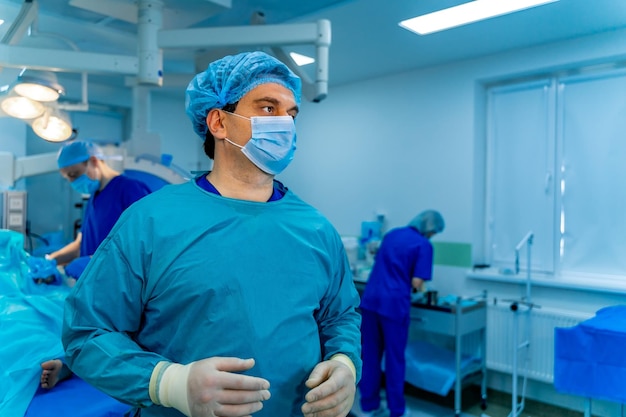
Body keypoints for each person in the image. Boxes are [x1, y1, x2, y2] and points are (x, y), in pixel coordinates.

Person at [62, 51, 362, 417]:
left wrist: (345, 362)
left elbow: (340, 315)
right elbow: (87, 333)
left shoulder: (315, 228)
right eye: (268, 108)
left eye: (291, 113)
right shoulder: (151, 221)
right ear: (219, 122)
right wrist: (169, 383)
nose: (284, 123)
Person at [41, 140, 152, 390]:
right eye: (67, 178)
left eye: (74, 175)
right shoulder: (93, 198)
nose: (72, 182)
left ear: (93, 161)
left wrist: (95, 263)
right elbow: (83, 240)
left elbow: (148, 246)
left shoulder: (130, 190)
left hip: (120, 290)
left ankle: (71, 366)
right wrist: (50, 260)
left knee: (116, 337)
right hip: (95, 289)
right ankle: (70, 364)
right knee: (87, 332)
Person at [358, 210, 445, 417]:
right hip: (394, 306)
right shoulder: (424, 245)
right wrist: (421, 290)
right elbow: (417, 282)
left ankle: (369, 406)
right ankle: (396, 410)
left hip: (370, 300)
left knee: (369, 355)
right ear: (430, 229)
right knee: (395, 359)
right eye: (433, 232)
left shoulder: (392, 234)